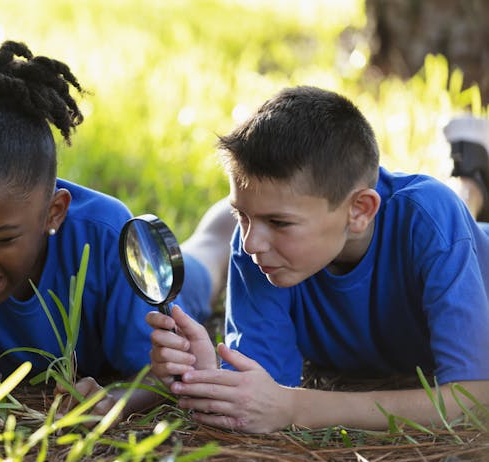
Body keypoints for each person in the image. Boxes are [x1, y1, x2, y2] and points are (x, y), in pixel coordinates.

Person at [0, 17, 219, 421]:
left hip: (150, 263)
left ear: (54, 212)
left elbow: (159, 373)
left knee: (208, 257)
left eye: (1, 239)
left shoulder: (107, 236)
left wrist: (115, 402)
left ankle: (224, 225)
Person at [147, 86, 489, 433]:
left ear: (359, 211)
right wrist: (206, 379)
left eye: (279, 222)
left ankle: (471, 175)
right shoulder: (261, 252)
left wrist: (298, 406)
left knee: (454, 212)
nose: (251, 243)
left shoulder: (430, 220)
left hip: (459, 236)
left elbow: (472, 397)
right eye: (242, 216)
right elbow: (261, 394)